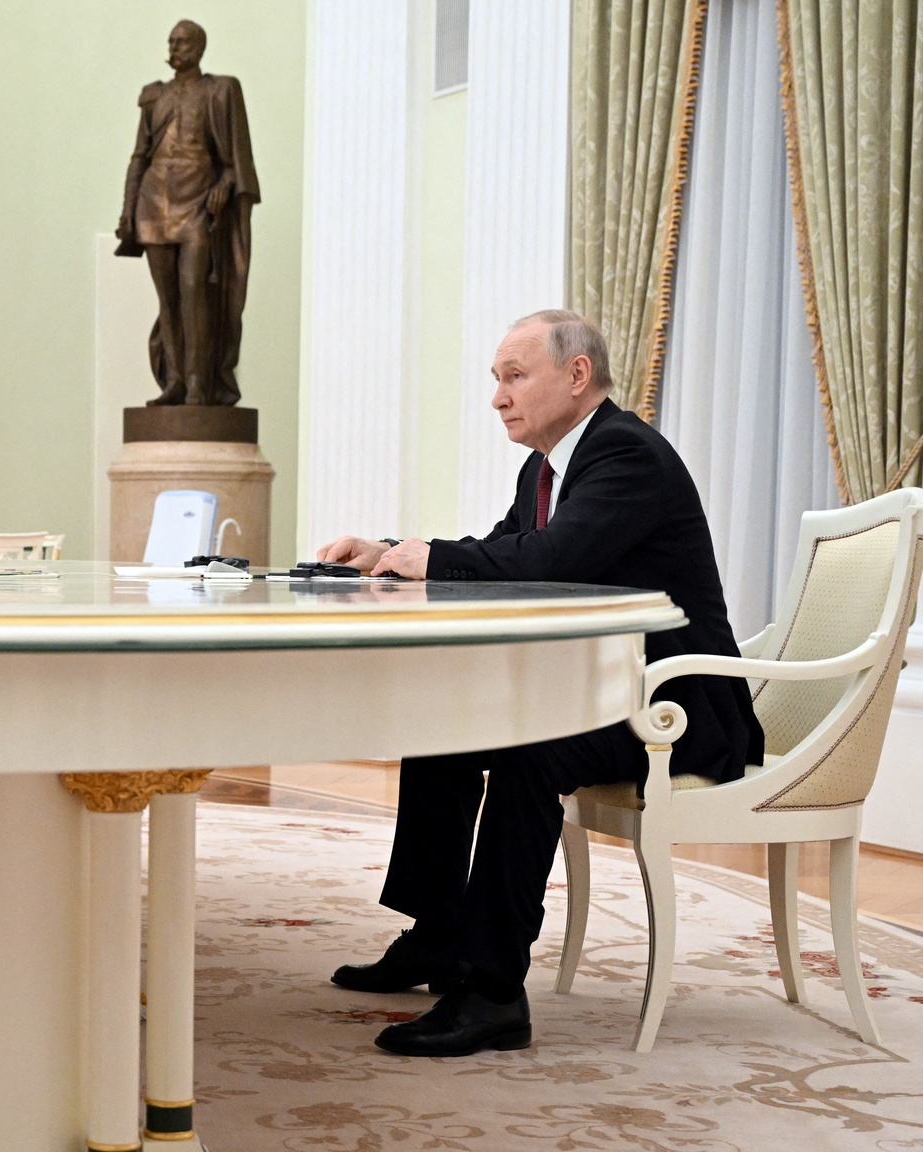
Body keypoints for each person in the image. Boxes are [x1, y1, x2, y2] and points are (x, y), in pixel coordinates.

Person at [314, 309, 763, 1058]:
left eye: (515, 376)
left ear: (577, 374)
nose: (498, 397)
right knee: (444, 726)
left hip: (676, 703)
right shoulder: (548, 467)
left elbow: (552, 560)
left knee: (531, 751)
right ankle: (437, 936)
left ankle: (494, 992)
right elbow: (504, 552)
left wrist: (431, 557)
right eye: (497, 380)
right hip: (609, 690)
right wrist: (388, 551)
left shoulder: (627, 454)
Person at [115, 18, 259, 406]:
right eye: (171, 42)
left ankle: (199, 383)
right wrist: (127, 210)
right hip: (153, 202)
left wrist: (225, 183)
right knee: (168, 299)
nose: (174, 48)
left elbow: (235, 161)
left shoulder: (220, 90)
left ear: (199, 48)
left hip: (196, 201)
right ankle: (175, 382)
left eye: (181, 42)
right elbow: (139, 157)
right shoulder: (154, 96)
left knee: (194, 289)